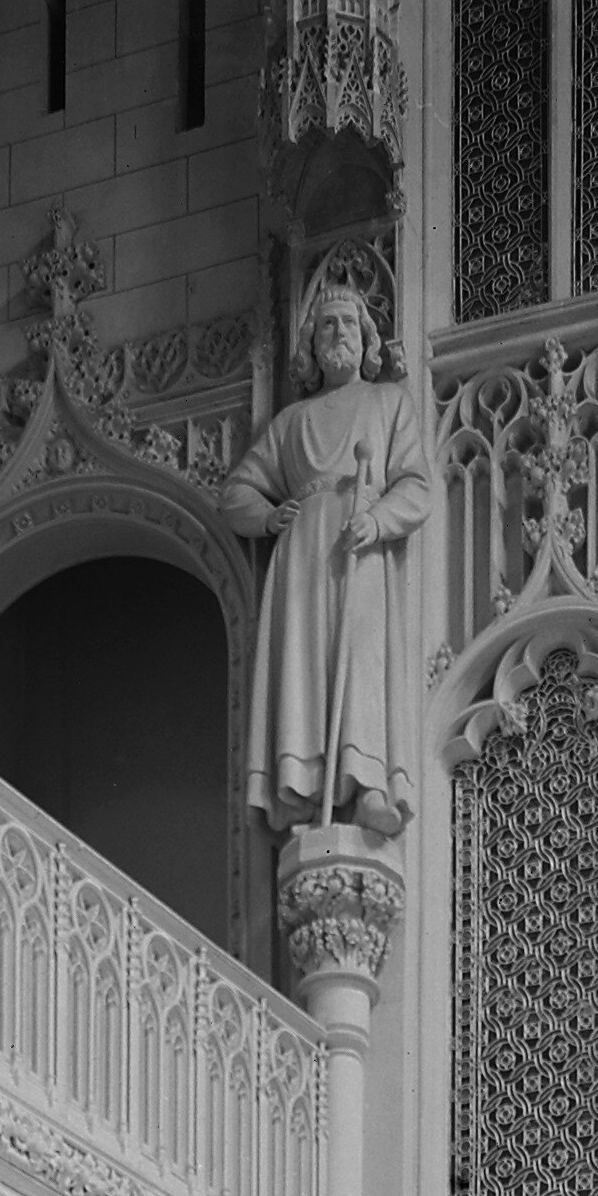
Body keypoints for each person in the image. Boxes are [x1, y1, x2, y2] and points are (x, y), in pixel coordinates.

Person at [219, 280, 432, 835]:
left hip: (361, 544)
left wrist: (378, 519)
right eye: (328, 325)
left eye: (349, 324)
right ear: (312, 344)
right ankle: (305, 791)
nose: (339, 333)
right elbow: (237, 492)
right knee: (304, 663)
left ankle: (368, 786)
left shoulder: (388, 402)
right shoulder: (292, 422)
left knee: (361, 657)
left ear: (367, 339)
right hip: (303, 552)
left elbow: (415, 485)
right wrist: (268, 517)